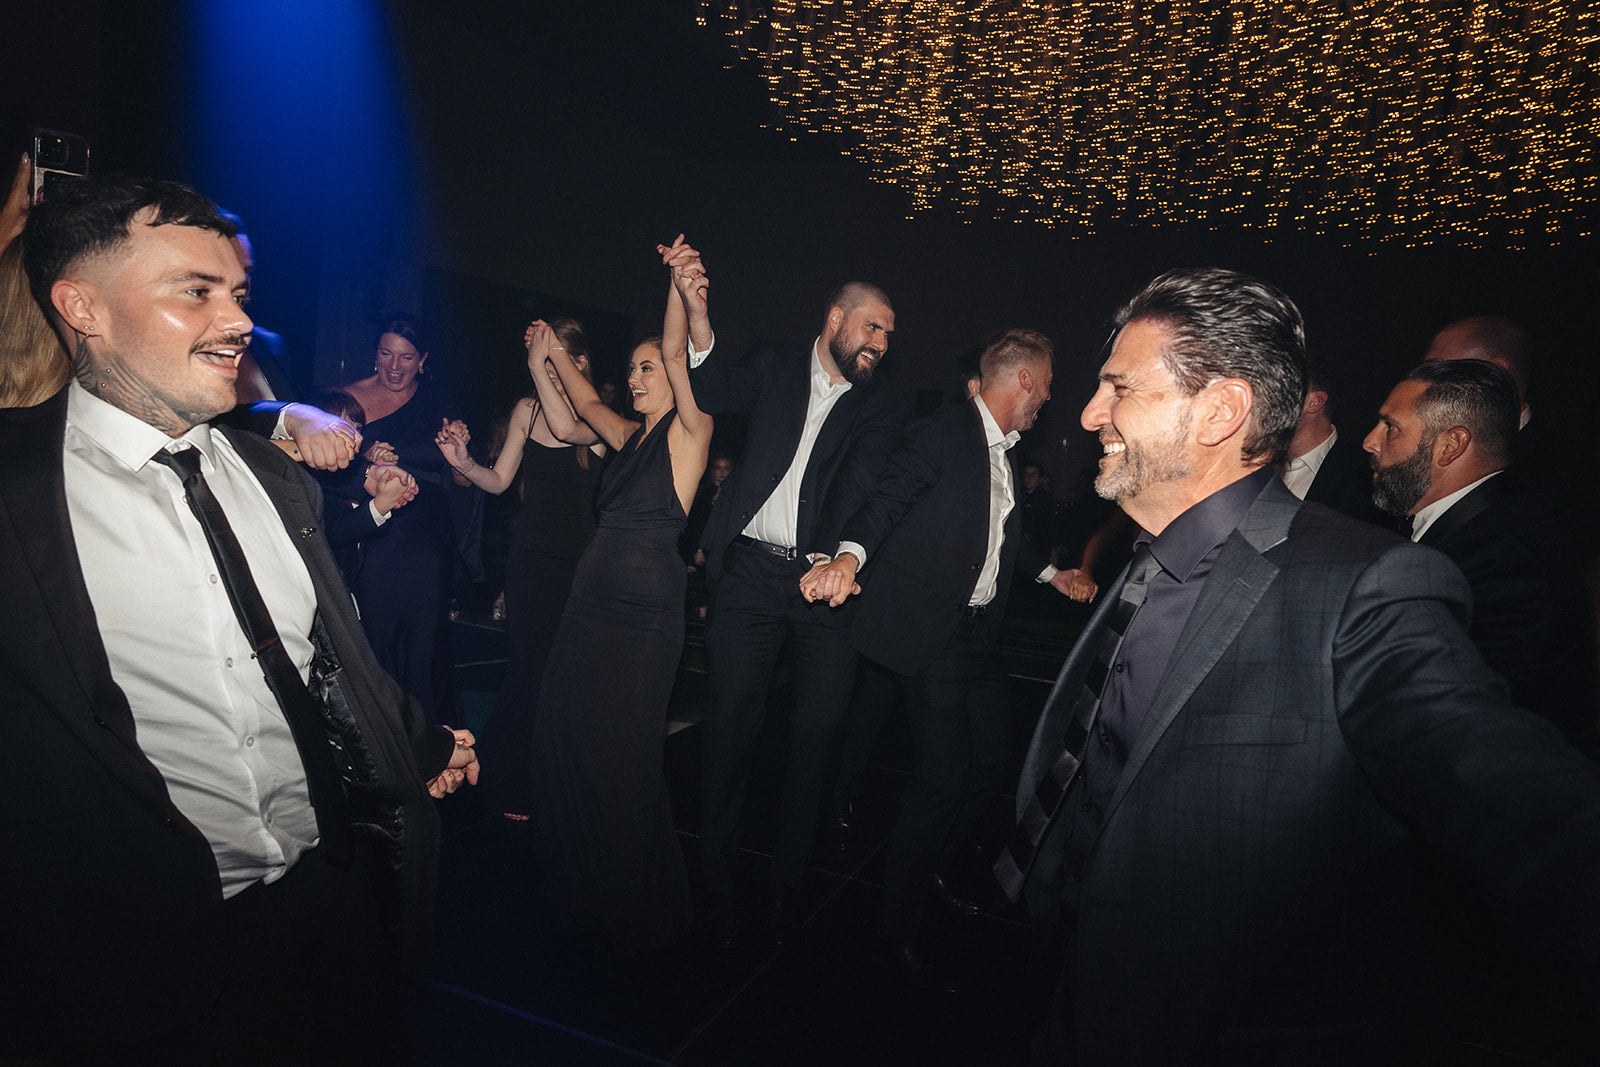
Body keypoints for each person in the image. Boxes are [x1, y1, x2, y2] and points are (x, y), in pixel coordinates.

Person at [995, 267, 1600, 1063]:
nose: (1089, 413)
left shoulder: (1365, 582)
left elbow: (1494, 775)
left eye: (1118, 389)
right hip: (1070, 993)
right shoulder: (1147, 557)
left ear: (1221, 410)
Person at [2, 174, 478, 1060]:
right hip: (129, 944)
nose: (236, 321)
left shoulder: (278, 479)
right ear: (83, 307)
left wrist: (417, 744)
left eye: (238, 295)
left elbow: (324, 659)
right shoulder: (20, 494)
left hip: (326, 905)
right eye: (196, 291)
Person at [801, 328, 1094, 987]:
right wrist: (848, 555)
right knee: (941, 775)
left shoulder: (1005, 455)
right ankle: (891, 925)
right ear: (1022, 380)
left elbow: (1004, 540)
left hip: (978, 637)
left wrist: (1053, 574)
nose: (1049, 397)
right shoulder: (940, 433)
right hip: (928, 631)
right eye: (1045, 385)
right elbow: (887, 498)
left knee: (990, 765)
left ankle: (928, 858)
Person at [691, 280, 912, 947]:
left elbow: (863, 485)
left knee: (817, 729)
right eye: (872, 328)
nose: (880, 343)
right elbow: (711, 391)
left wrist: (843, 560)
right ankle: (710, 867)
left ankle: (788, 879)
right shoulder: (774, 363)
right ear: (836, 318)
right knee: (732, 718)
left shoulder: (882, 406)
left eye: (888, 335)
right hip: (753, 572)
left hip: (825, 580)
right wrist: (699, 311)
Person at [518, 235, 713, 952]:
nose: (636, 377)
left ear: (673, 373)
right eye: (630, 368)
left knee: (621, 755)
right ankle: (574, 876)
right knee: (562, 732)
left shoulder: (694, 431)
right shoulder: (625, 434)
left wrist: (673, 281)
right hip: (588, 599)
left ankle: (630, 897)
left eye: (647, 367)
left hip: (643, 614)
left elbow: (676, 344)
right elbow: (575, 408)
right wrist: (547, 357)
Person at [1364, 358, 1597, 747]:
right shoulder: (1485, 526)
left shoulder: (1503, 554)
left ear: (1451, 445)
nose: (1370, 440)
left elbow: (1461, 717)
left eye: (1391, 427)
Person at [434, 318, 606, 820]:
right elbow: (500, 481)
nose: (545, 372)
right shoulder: (526, 411)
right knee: (527, 665)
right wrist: (463, 463)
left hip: (580, 558)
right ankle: (506, 777)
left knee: (560, 672)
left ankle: (541, 776)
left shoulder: (597, 415)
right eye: (540, 362)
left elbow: (566, 425)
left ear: (578, 365)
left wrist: (540, 358)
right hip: (530, 554)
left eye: (555, 362)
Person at [337, 317, 480, 721]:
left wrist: (461, 457)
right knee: (374, 633)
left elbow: (460, 483)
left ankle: (426, 741)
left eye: (406, 357)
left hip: (427, 540)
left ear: (423, 361)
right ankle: (374, 734)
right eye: (386, 353)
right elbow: (325, 473)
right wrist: (364, 461)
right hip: (374, 536)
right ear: (375, 353)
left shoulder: (440, 404)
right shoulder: (343, 399)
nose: (395, 366)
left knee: (423, 640)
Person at [1279, 354, 1374, 521]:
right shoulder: (1252, 461)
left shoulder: (1364, 475)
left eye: (1278, 390)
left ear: (1314, 402)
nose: (1261, 401)